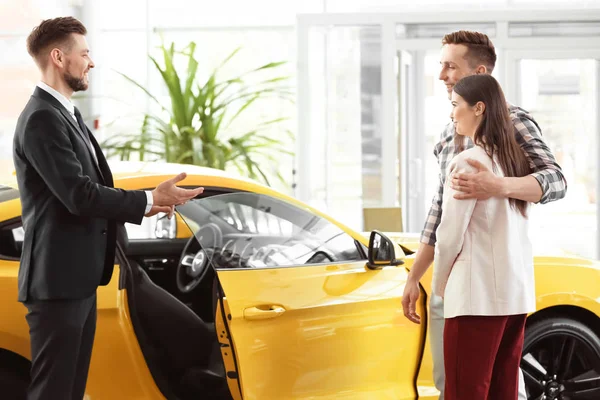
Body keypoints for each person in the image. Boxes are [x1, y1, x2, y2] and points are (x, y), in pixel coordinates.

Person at [12, 17, 204, 400]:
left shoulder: (64, 113)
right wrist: (149, 198)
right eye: (84, 54)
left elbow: (92, 189)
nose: (91, 62)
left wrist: (146, 205)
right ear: (58, 57)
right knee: (54, 392)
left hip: (75, 281)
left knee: (70, 391)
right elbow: (79, 195)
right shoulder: (41, 119)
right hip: (56, 285)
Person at [400, 30, 567, 400]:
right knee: (461, 383)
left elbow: (555, 181)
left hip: (473, 287)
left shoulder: (513, 122)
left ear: (479, 71)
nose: (442, 75)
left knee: (471, 387)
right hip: (492, 287)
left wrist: (498, 186)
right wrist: (416, 278)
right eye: (440, 65)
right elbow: (440, 210)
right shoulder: (449, 135)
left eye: (450, 66)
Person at [434, 73, 535, 399]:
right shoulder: (514, 162)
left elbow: (449, 235)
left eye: (455, 105)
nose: (452, 115)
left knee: (466, 390)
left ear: (478, 108)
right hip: (515, 295)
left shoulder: (469, 163)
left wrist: (439, 287)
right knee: (502, 390)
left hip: (475, 298)